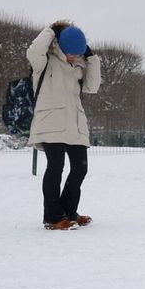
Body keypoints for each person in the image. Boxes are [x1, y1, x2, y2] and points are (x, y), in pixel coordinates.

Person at [27, 21, 102, 230]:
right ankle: (53, 217)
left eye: (78, 53)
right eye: (71, 53)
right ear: (60, 45)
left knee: (80, 168)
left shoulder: (80, 65)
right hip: (50, 121)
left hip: (75, 123)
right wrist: (52, 30)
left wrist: (90, 57)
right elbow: (33, 51)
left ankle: (69, 212)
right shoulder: (44, 61)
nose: (74, 57)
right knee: (56, 167)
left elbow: (92, 87)